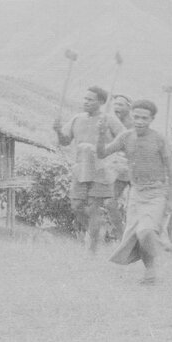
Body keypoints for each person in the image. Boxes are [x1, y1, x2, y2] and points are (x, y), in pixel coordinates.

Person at [96, 99, 172, 285]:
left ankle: (158, 247)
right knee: (139, 236)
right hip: (136, 193)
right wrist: (100, 134)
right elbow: (102, 153)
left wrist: (171, 197)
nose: (139, 121)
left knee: (145, 231)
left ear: (152, 119)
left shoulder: (159, 139)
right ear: (132, 115)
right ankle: (150, 273)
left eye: (144, 118)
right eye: (136, 117)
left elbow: (171, 169)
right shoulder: (125, 137)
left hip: (156, 192)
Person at [53, 86, 125, 253]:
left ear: (101, 102)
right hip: (81, 168)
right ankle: (97, 228)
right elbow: (64, 141)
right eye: (85, 99)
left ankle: (92, 249)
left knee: (93, 207)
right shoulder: (77, 119)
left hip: (102, 169)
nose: (85, 102)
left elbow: (124, 140)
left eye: (90, 99)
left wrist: (104, 147)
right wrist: (58, 131)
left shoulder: (110, 120)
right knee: (76, 205)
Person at [107, 94, 134, 240]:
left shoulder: (137, 122)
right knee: (110, 201)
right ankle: (120, 232)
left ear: (129, 107)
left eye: (121, 105)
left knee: (135, 206)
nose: (117, 107)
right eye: (115, 104)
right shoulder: (111, 123)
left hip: (136, 169)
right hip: (120, 170)